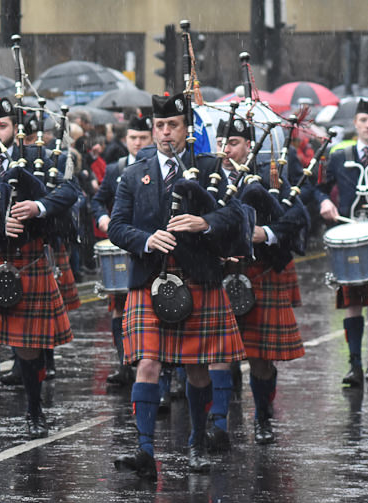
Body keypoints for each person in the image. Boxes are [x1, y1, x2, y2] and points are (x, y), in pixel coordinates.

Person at [108, 92, 251, 477]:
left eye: (173, 125)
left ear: (187, 129)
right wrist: (146, 239)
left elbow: (236, 215)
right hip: (150, 279)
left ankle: (198, 444)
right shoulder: (134, 174)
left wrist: (204, 223)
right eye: (160, 126)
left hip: (197, 277)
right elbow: (118, 225)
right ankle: (145, 451)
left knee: (197, 369)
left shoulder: (208, 168)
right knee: (148, 364)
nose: (165, 132)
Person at [0, 97, 75, 447]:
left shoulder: (39, 159)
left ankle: (35, 410)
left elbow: (70, 191)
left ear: (18, 130)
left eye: (2, 126)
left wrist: (38, 206)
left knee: (28, 347)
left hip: (27, 262)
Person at [206, 117, 309, 446]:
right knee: (218, 353)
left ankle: (263, 414)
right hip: (217, 276)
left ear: (250, 146)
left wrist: (266, 232)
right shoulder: (206, 178)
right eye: (221, 142)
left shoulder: (268, 177)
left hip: (258, 273)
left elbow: (298, 217)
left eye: (233, 143)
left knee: (261, 358)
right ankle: (218, 422)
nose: (226, 150)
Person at [314, 98, 368, 387]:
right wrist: (325, 201)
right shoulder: (340, 155)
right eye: (362, 120)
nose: (367, 125)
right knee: (353, 303)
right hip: (348, 238)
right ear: (355, 124)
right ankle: (355, 365)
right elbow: (318, 189)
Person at [91, 114, 153, 386]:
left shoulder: (156, 166)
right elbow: (97, 200)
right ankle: (124, 364)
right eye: (133, 138)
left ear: (150, 139)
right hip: (120, 244)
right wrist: (102, 219)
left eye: (142, 138)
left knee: (156, 307)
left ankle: (162, 371)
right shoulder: (116, 169)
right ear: (125, 139)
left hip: (150, 246)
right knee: (119, 307)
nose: (137, 143)